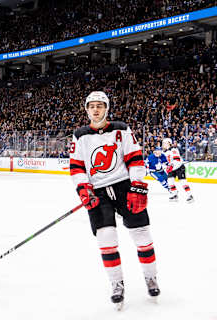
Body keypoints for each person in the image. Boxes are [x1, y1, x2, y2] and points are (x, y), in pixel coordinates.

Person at [69, 91, 160, 310]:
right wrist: (83, 188)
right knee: (106, 237)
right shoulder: (80, 135)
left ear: (106, 108)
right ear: (87, 109)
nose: (96, 109)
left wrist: (137, 185)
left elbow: (135, 158)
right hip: (97, 191)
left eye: (100, 105)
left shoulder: (121, 129)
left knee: (142, 233)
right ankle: (116, 283)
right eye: (92, 106)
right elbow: (77, 167)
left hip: (124, 186)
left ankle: (150, 277)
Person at [162, 138, 194, 203]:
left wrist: (171, 165)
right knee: (170, 181)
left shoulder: (173, 149)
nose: (163, 144)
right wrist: (166, 167)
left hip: (179, 167)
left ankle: (190, 196)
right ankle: (175, 195)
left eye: (164, 143)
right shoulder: (164, 152)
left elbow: (177, 160)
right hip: (172, 168)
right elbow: (164, 162)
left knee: (183, 182)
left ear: (168, 143)